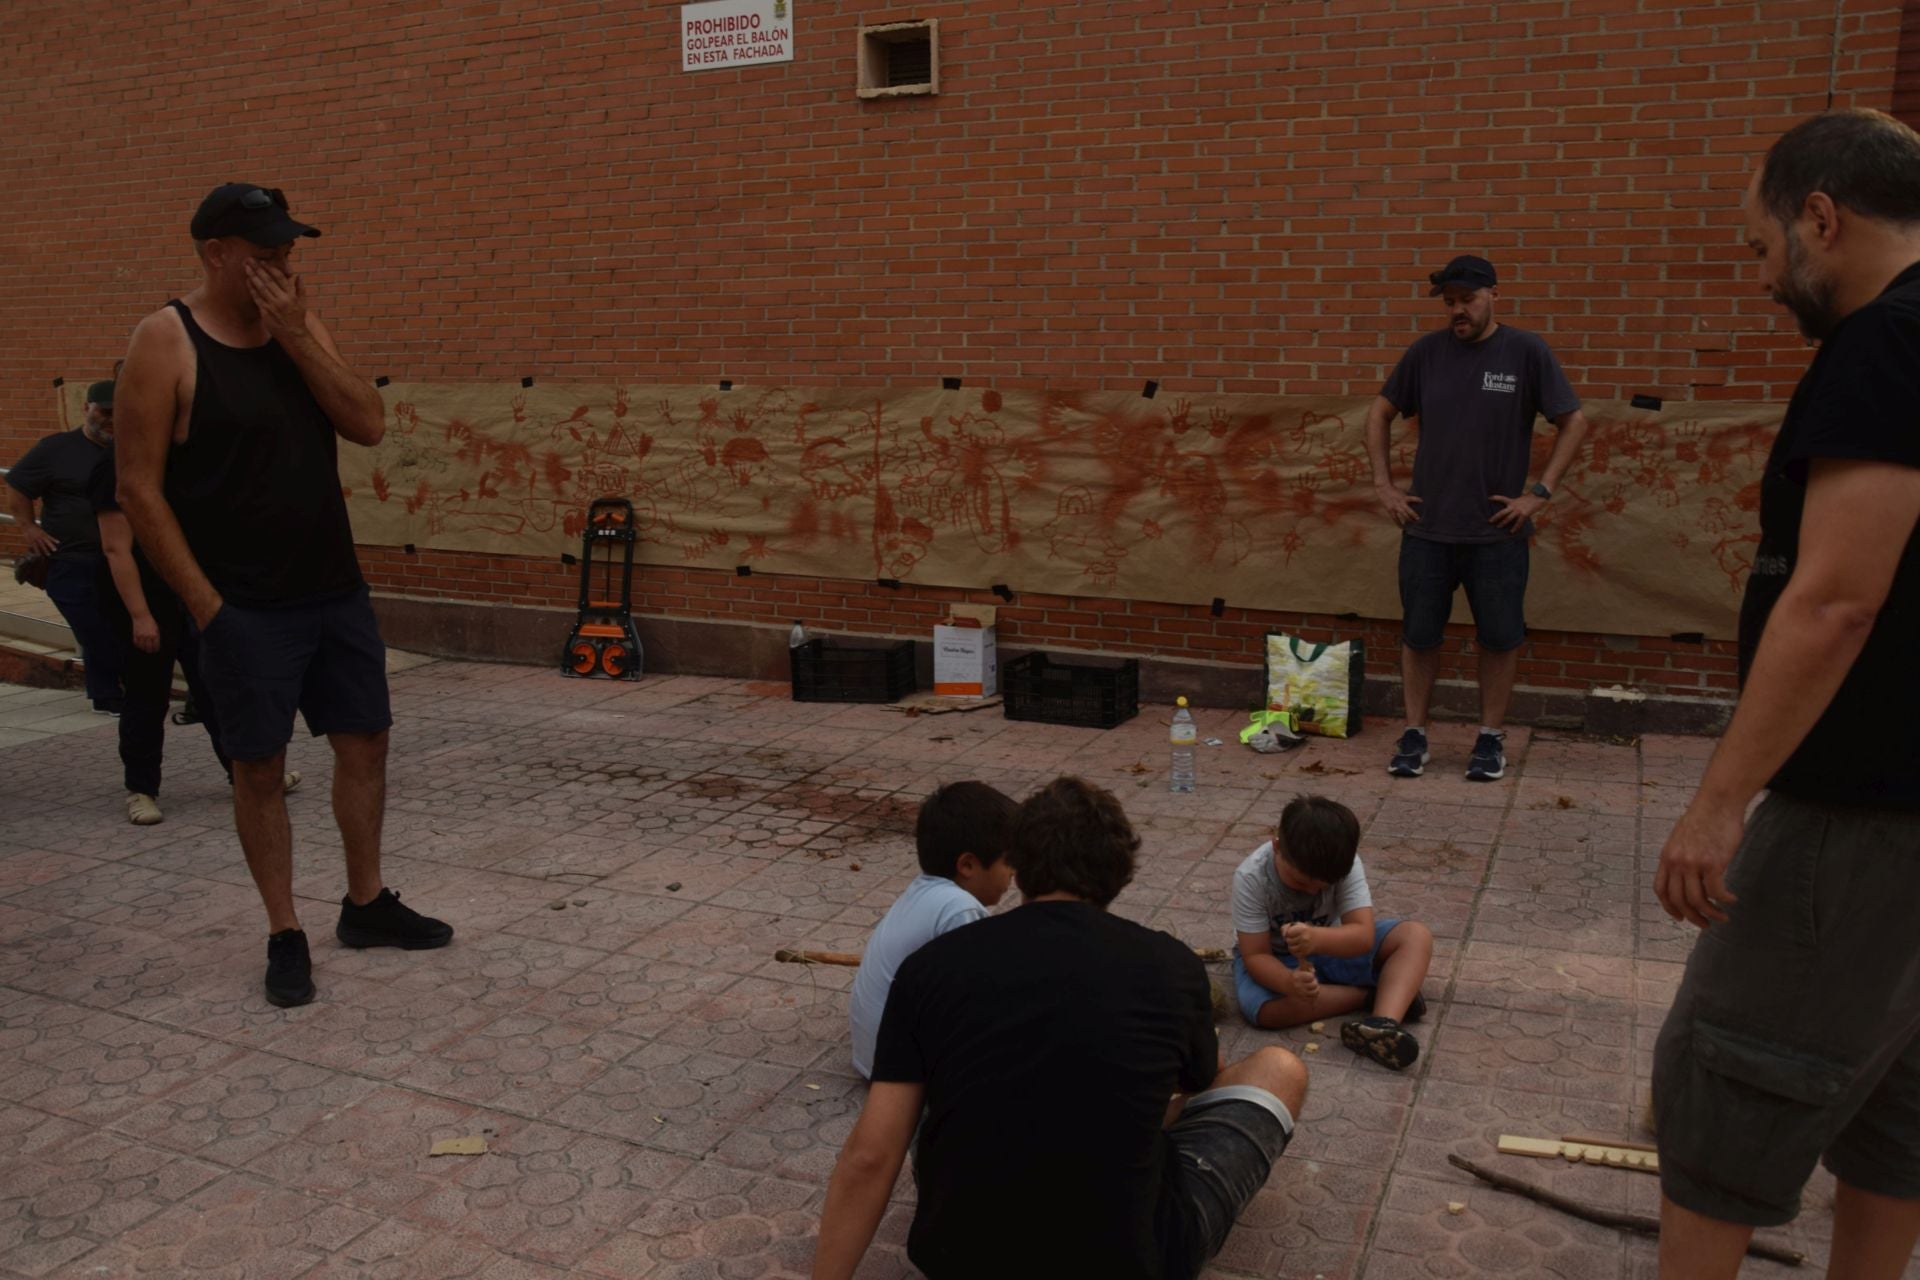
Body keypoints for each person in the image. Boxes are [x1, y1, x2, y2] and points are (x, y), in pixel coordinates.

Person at [1652, 109, 1920, 1280]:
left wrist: (1721, 800)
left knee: (1728, 1084)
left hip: (1855, 819)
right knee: (1895, 1106)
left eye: (1766, 248)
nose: (1767, 281)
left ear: (1825, 216)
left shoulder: (1886, 344)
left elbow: (1835, 601)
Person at [114, 183, 450, 1009]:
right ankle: (284, 931)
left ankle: (366, 904)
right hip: (242, 606)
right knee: (259, 767)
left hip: (333, 591)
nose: (280, 268)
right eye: (263, 255)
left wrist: (300, 336)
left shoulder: (298, 326)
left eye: (288, 253)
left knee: (366, 741)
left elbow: (368, 423)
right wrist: (205, 607)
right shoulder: (166, 340)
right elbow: (138, 489)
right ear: (214, 253)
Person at [813, 776, 1308, 1280]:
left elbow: (872, 1154)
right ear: (1119, 874)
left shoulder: (928, 967)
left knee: (932, 1101)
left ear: (1020, 867)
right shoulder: (1171, 965)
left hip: (962, 1258)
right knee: (1279, 1069)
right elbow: (1201, 1085)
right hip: (1134, 1260)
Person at [1364, 255, 1590, 781]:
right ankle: (1415, 734)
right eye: (1450, 303)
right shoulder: (1426, 354)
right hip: (1427, 529)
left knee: (1499, 638)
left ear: (1493, 296)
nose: (1458, 311)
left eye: (1467, 300)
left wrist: (1539, 492)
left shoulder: (1525, 352)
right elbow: (1379, 413)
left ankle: (1489, 739)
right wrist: (1384, 485)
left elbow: (1573, 421)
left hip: (1497, 532)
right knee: (1420, 636)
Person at [89, 444, 302, 825]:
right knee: (146, 697)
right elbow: (115, 550)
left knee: (219, 690)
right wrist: (141, 616)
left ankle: (245, 777)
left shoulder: (187, 460)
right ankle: (142, 790)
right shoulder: (117, 467)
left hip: (192, 599)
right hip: (145, 603)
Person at [1230, 794, 1433, 1070]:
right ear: (1276, 847)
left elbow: (1362, 936)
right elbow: (1255, 955)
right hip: (1276, 959)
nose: (1314, 892)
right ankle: (1370, 996)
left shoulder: (1344, 864)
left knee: (1414, 936)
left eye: (1325, 886)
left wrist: (1317, 939)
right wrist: (1289, 983)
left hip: (1334, 945)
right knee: (1263, 1012)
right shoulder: (1251, 877)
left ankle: (1382, 1024)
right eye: (1301, 883)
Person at [847, 780, 1016, 1079]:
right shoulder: (960, 908)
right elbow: (975, 1001)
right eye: (1009, 862)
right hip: (900, 1072)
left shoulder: (924, 889)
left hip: (872, 1054)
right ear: (968, 865)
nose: (1013, 873)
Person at [6, 380, 128, 713]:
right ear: (85, 409)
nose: (112, 420)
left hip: (122, 560)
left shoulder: (133, 448)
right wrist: (29, 528)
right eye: (105, 412)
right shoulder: (55, 449)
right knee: (92, 628)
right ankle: (108, 694)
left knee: (119, 627)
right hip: (71, 560)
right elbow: (17, 486)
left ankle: (112, 694)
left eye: (120, 413)